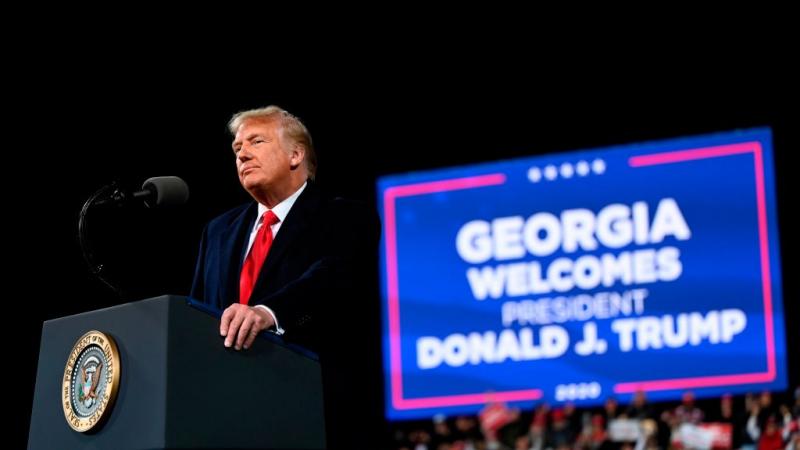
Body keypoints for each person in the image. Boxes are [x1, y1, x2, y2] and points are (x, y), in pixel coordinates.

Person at [190, 105, 381, 445]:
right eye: (237, 149)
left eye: (256, 141)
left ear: (295, 154)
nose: (242, 154)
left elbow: (330, 277)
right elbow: (198, 313)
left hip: (315, 414)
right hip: (225, 420)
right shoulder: (217, 232)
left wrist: (268, 313)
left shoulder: (345, 216)